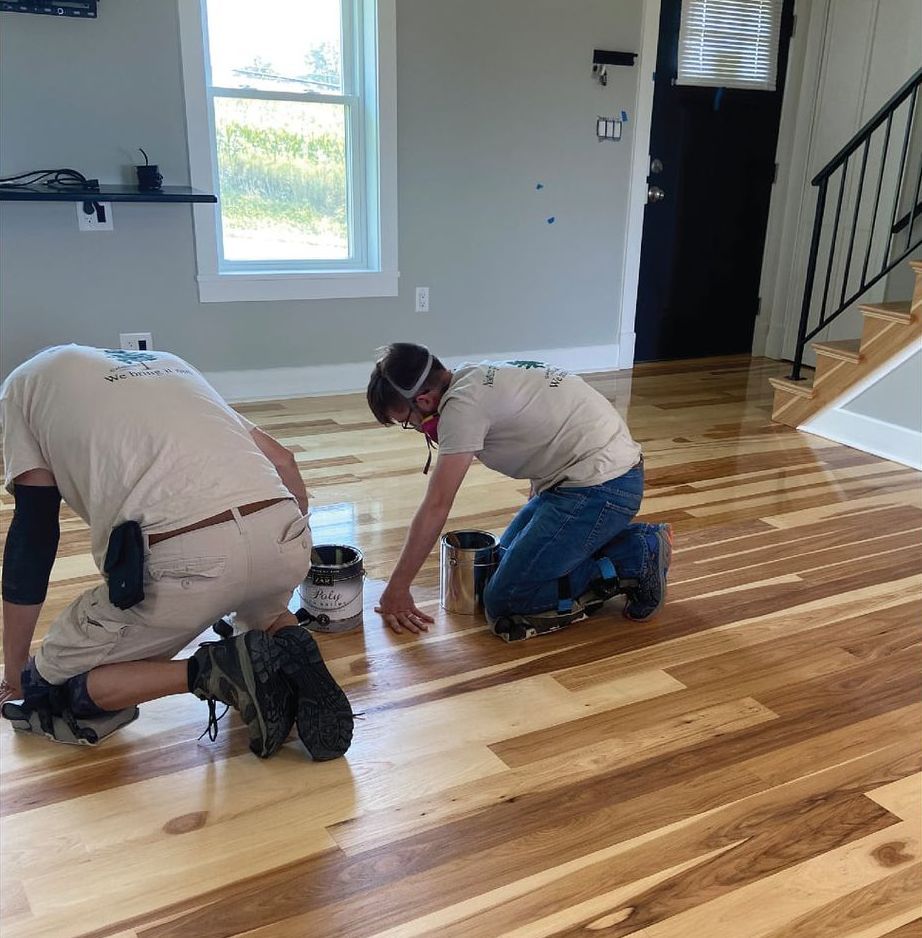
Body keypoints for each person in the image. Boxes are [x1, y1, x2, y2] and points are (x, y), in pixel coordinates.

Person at [0, 344, 352, 759]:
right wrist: (291, 546)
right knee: (265, 606)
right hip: (281, 527)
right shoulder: (169, 365)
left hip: (185, 559)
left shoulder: (22, 387)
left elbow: (34, 537)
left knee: (52, 693)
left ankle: (214, 671)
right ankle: (288, 638)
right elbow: (283, 460)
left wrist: (16, 672)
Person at [366, 343, 671, 637]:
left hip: (603, 487)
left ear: (423, 401)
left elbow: (437, 505)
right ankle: (598, 546)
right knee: (500, 566)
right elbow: (543, 433)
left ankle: (637, 554)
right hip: (582, 480)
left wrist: (397, 588)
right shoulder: (470, 376)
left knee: (507, 601)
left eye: (407, 422)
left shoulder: (462, 408)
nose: (417, 428)